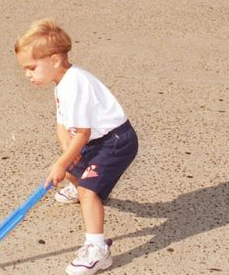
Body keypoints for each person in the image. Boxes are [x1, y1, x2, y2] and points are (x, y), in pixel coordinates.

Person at [14, 19, 138, 275]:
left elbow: (82, 133)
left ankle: (97, 250)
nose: (28, 75)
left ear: (55, 60)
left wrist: (62, 162)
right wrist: (67, 155)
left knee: (88, 192)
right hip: (96, 141)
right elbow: (63, 124)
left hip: (116, 142)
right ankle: (80, 184)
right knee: (74, 168)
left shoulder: (75, 84)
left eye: (31, 68)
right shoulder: (61, 81)